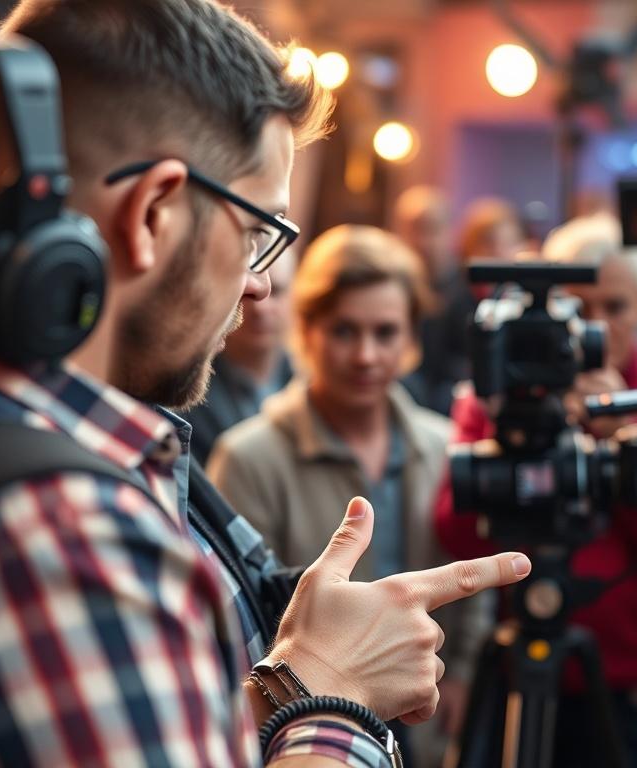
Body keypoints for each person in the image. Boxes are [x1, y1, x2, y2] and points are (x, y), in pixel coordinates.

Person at [0, 1, 532, 765]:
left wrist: (292, 669)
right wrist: (331, 694)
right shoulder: (58, 534)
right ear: (152, 214)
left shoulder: (49, 446)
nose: (260, 288)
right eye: (255, 234)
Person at [436, 213, 637, 768]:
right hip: (516, 669)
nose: (597, 327)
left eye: (615, 307)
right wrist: (515, 434)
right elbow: (454, 530)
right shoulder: (493, 404)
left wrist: (624, 441)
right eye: (578, 309)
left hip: (621, 686)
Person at [208, 224, 489, 765]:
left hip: (425, 710)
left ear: (410, 339)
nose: (365, 355)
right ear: (307, 332)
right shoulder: (248, 456)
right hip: (306, 728)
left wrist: (465, 672)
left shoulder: (443, 443)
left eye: (385, 332)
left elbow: (469, 566)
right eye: (344, 331)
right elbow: (237, 622)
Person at [181, 247, 296, 464]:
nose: (261, 308)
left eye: (277, 292)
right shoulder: (186, 390)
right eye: (247, 294)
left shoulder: (312, 384)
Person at [393, 185, 475, 416]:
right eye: (413, 230)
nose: (422, 241)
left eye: (432, 229)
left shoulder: (466, 291)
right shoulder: (393, 290)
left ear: (450, 231)